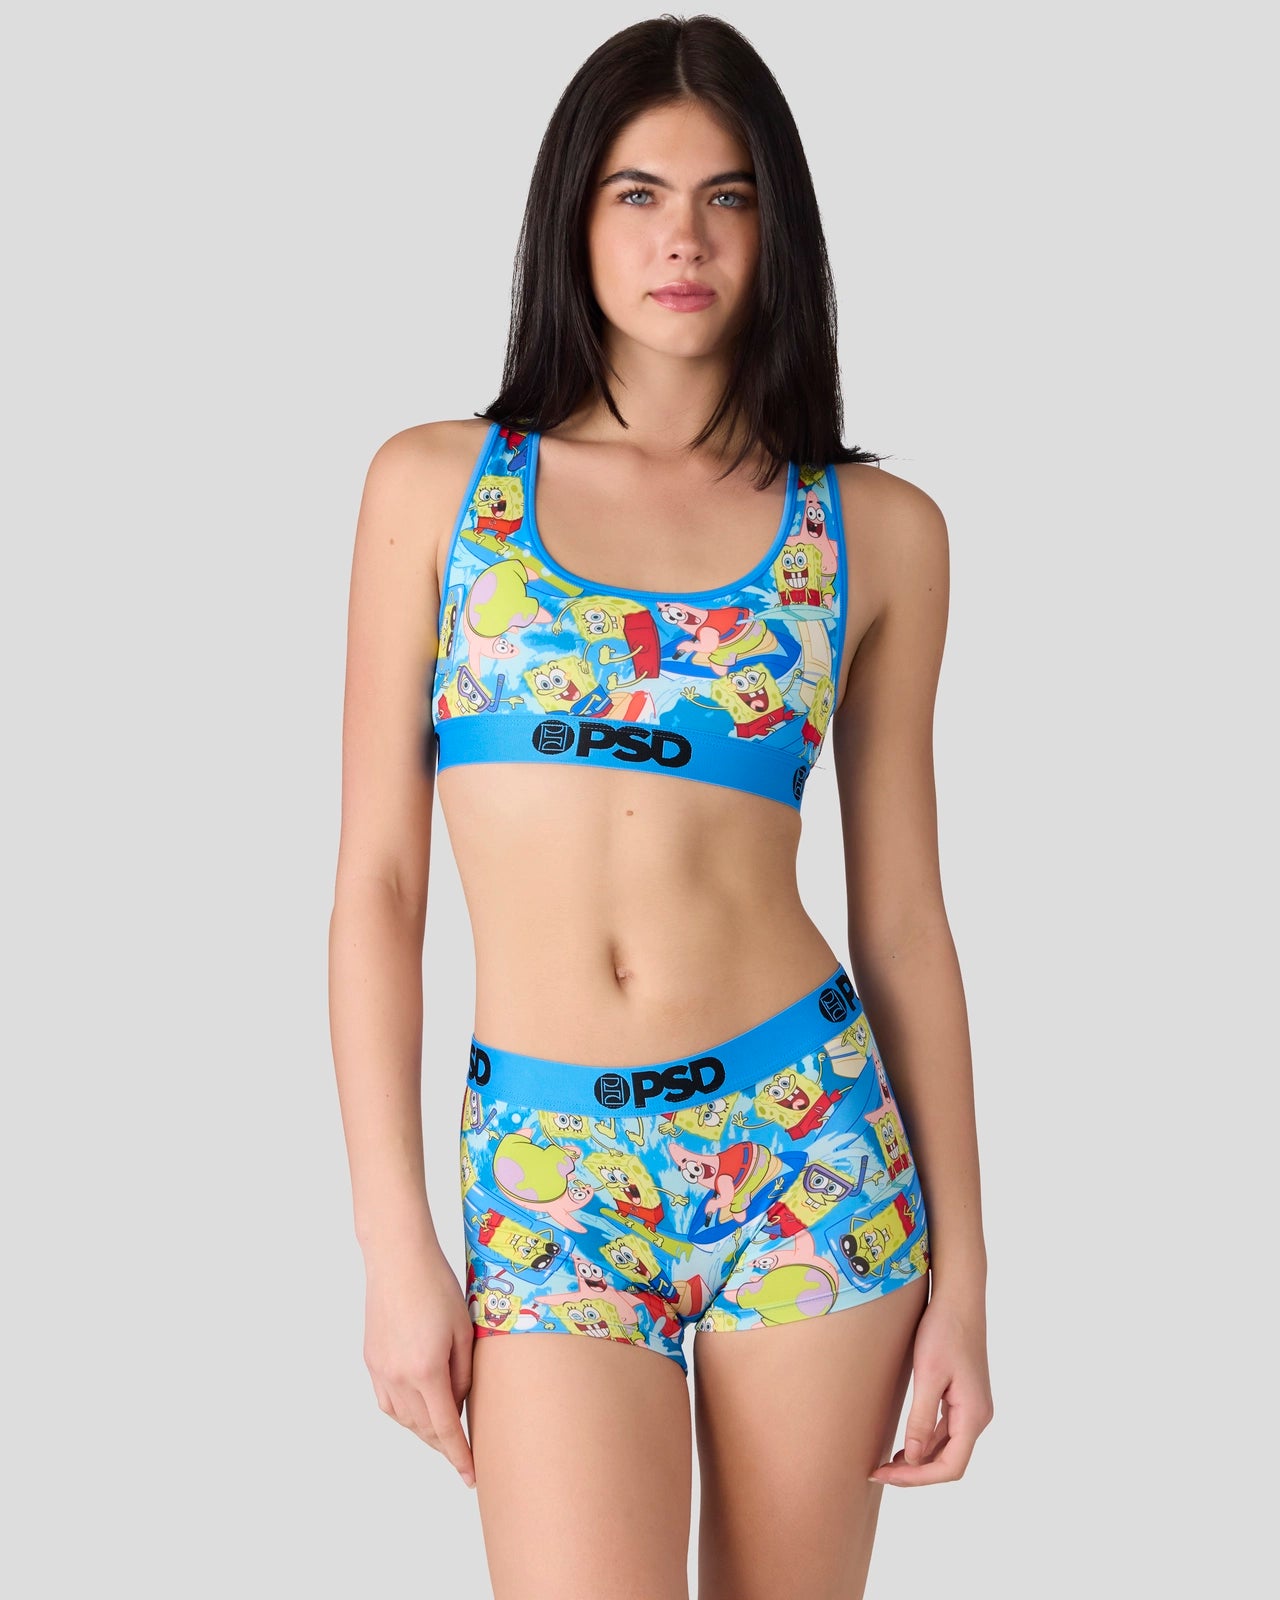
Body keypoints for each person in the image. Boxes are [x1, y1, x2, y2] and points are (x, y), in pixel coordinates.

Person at [329, 14, 992, 1598]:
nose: (680, 237)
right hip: (547, 1177)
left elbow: (905, 919)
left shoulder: (877, 532)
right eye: (637, 193)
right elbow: (377, 890)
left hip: (808, 1147)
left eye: (725, 196)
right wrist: (395, 1244)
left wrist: (966, 1281)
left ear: (778, 231)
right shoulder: (438, 491)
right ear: (574, 219)